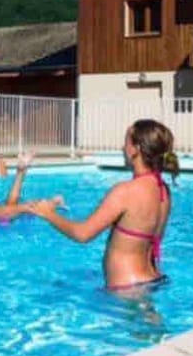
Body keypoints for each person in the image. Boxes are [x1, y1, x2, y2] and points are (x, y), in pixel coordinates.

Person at [27, 119, 176, 292]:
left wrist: (48, 213)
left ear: (136, 149)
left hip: (128, 288)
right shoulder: (163, 191)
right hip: (154, 280)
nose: (122, 148)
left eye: (126, 143)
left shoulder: (126, 191)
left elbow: (83, 234)